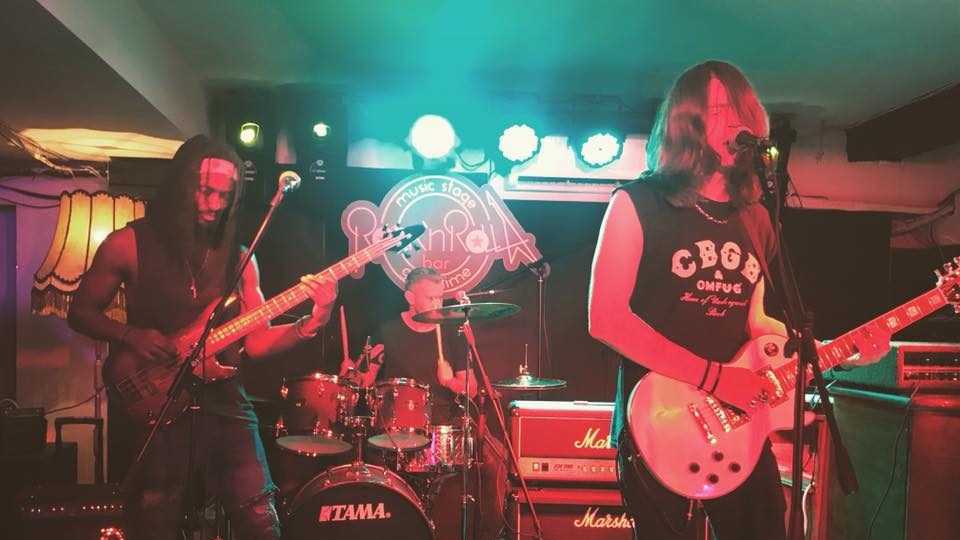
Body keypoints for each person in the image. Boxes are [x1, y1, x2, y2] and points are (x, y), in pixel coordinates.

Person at [587, 60, 891, 540]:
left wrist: (842, 352)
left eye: (741, 111)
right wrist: (714, 377)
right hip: (658, 415)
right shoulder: (637, 203)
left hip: (737, 418)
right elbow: (605, 320)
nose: (734, 123)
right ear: (686, 121)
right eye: (717, 110)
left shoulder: (756, 218)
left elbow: (757, 321)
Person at [67, 135, 337, 540]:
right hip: (159, 395)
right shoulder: (128, 243)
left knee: (260, 516)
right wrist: (130, 334)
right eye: (205, 191)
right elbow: (80, 312)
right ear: (183, 185)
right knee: (156, 512)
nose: (214, 204)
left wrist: (313, 321)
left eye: (225, 196)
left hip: (224, 399)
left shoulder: (240, 257)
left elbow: (256, 343)